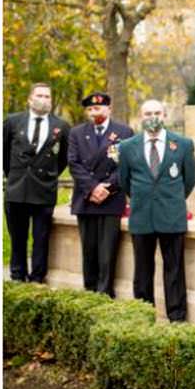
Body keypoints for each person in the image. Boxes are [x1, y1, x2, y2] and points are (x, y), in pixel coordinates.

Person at [117, 99, 195, 321]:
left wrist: (171, 200)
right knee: (142, 271)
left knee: (174, 270)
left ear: (164, 116)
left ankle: (177, 317)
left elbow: (190, 179)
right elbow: (124, 181)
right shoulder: (127, 147)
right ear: (141, 117)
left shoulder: (183, 144)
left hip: (172, 216)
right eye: (148, 113)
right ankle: (144, 316)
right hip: (142, 216)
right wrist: (143, 199)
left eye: (157, 113)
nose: (153, 117)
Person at [67, 92, 134, 296]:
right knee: (88, 250)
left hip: (111, 199)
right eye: (89, 109)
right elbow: (73, 163)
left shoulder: (124, 132)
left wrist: (107, 188)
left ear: (109, 109)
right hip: (86, 198)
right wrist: (93, 188)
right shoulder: (77, 133)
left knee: (108, 252)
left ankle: (105, 294)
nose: (93, 112)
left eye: (97, 108)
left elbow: (126, 164)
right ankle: (89, 292)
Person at [4, 83, 70, 283]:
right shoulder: (13, 121)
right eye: (39, 95)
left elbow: (63, 158)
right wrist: (14, 174)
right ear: (30, 99)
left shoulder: (62, 126)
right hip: (17, 189)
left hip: (44, 189)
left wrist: (49, 175)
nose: (43, 100)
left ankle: (37, 278)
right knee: (18, 237)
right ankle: (17, 275)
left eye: (47, 96)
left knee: (41, 238)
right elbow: (3, 152)